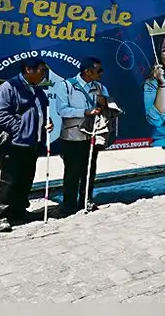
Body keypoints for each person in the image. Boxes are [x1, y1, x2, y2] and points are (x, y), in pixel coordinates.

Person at [0, 58, 52, 233]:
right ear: (28, 70)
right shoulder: (9, 87)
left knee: (25, 179)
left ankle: (19, 210)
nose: (44, 74)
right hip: (14, 143)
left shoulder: (38, 91)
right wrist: (19, 129)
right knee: (7, 181)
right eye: (41, 70)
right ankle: (0, 216)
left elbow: (41, 113)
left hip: (33, 143)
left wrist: (46, 123)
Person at [57, 57, 109, 215]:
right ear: (87, 71)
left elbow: (108, 105)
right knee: (72, 171)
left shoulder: (99, 87)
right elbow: (62, 110)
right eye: (98, 70)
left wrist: (104, 103)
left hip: (92, 135)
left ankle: (86, 199)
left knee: (89, 169)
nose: (101, 73)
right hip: (72, 136)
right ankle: (69, 204)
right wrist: (84, 112)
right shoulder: (66, 86)